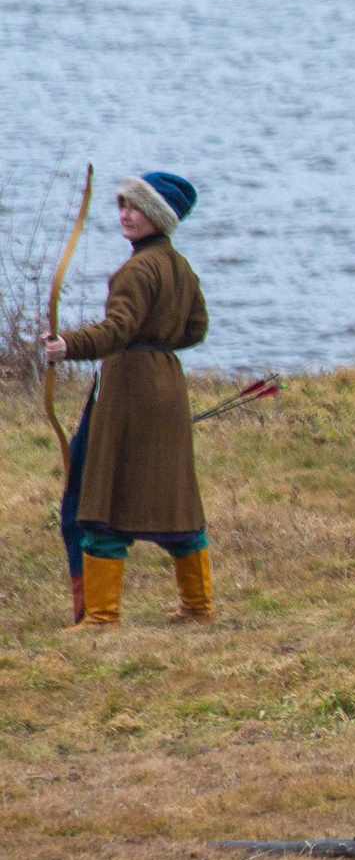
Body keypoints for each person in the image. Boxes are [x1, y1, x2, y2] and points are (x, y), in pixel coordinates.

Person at [43, 172, 212, 630]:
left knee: (101, 497)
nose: (124, 215)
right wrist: (160, 344)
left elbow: (116, 330)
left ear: (156, 217)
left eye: (134, 208)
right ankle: (198, 607)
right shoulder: (179, 267)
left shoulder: (136, 270)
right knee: (175, 498)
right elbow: (196, 329)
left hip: (129, 391)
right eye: (121, 206)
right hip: (167, 388)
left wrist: (67, 346)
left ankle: (100, 615)